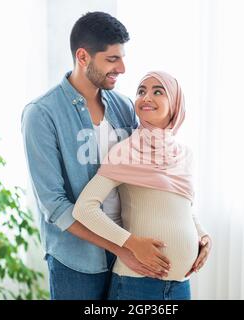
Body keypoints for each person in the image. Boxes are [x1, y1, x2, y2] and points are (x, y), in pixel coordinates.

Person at [21, 12, 169, 300]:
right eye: (112, 59)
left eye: (122, 57)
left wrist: (196, 230)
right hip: (77, 262)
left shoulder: (125, 106)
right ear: (83, 56)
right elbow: (55, 206)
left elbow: (151, 173)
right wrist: (123, 245)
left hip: (130, 251)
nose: (123, 68)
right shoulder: (41, 114)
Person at [73, 71, 212, 300]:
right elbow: (84, 209)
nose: (146, 97)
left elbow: (184, 208)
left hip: (181, 285)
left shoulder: (185, 155)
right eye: (141, 91)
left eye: (158, 91)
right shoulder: (124, 151)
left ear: (175, 102)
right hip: (135, 284)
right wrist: (131, 243)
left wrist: (203, 236)